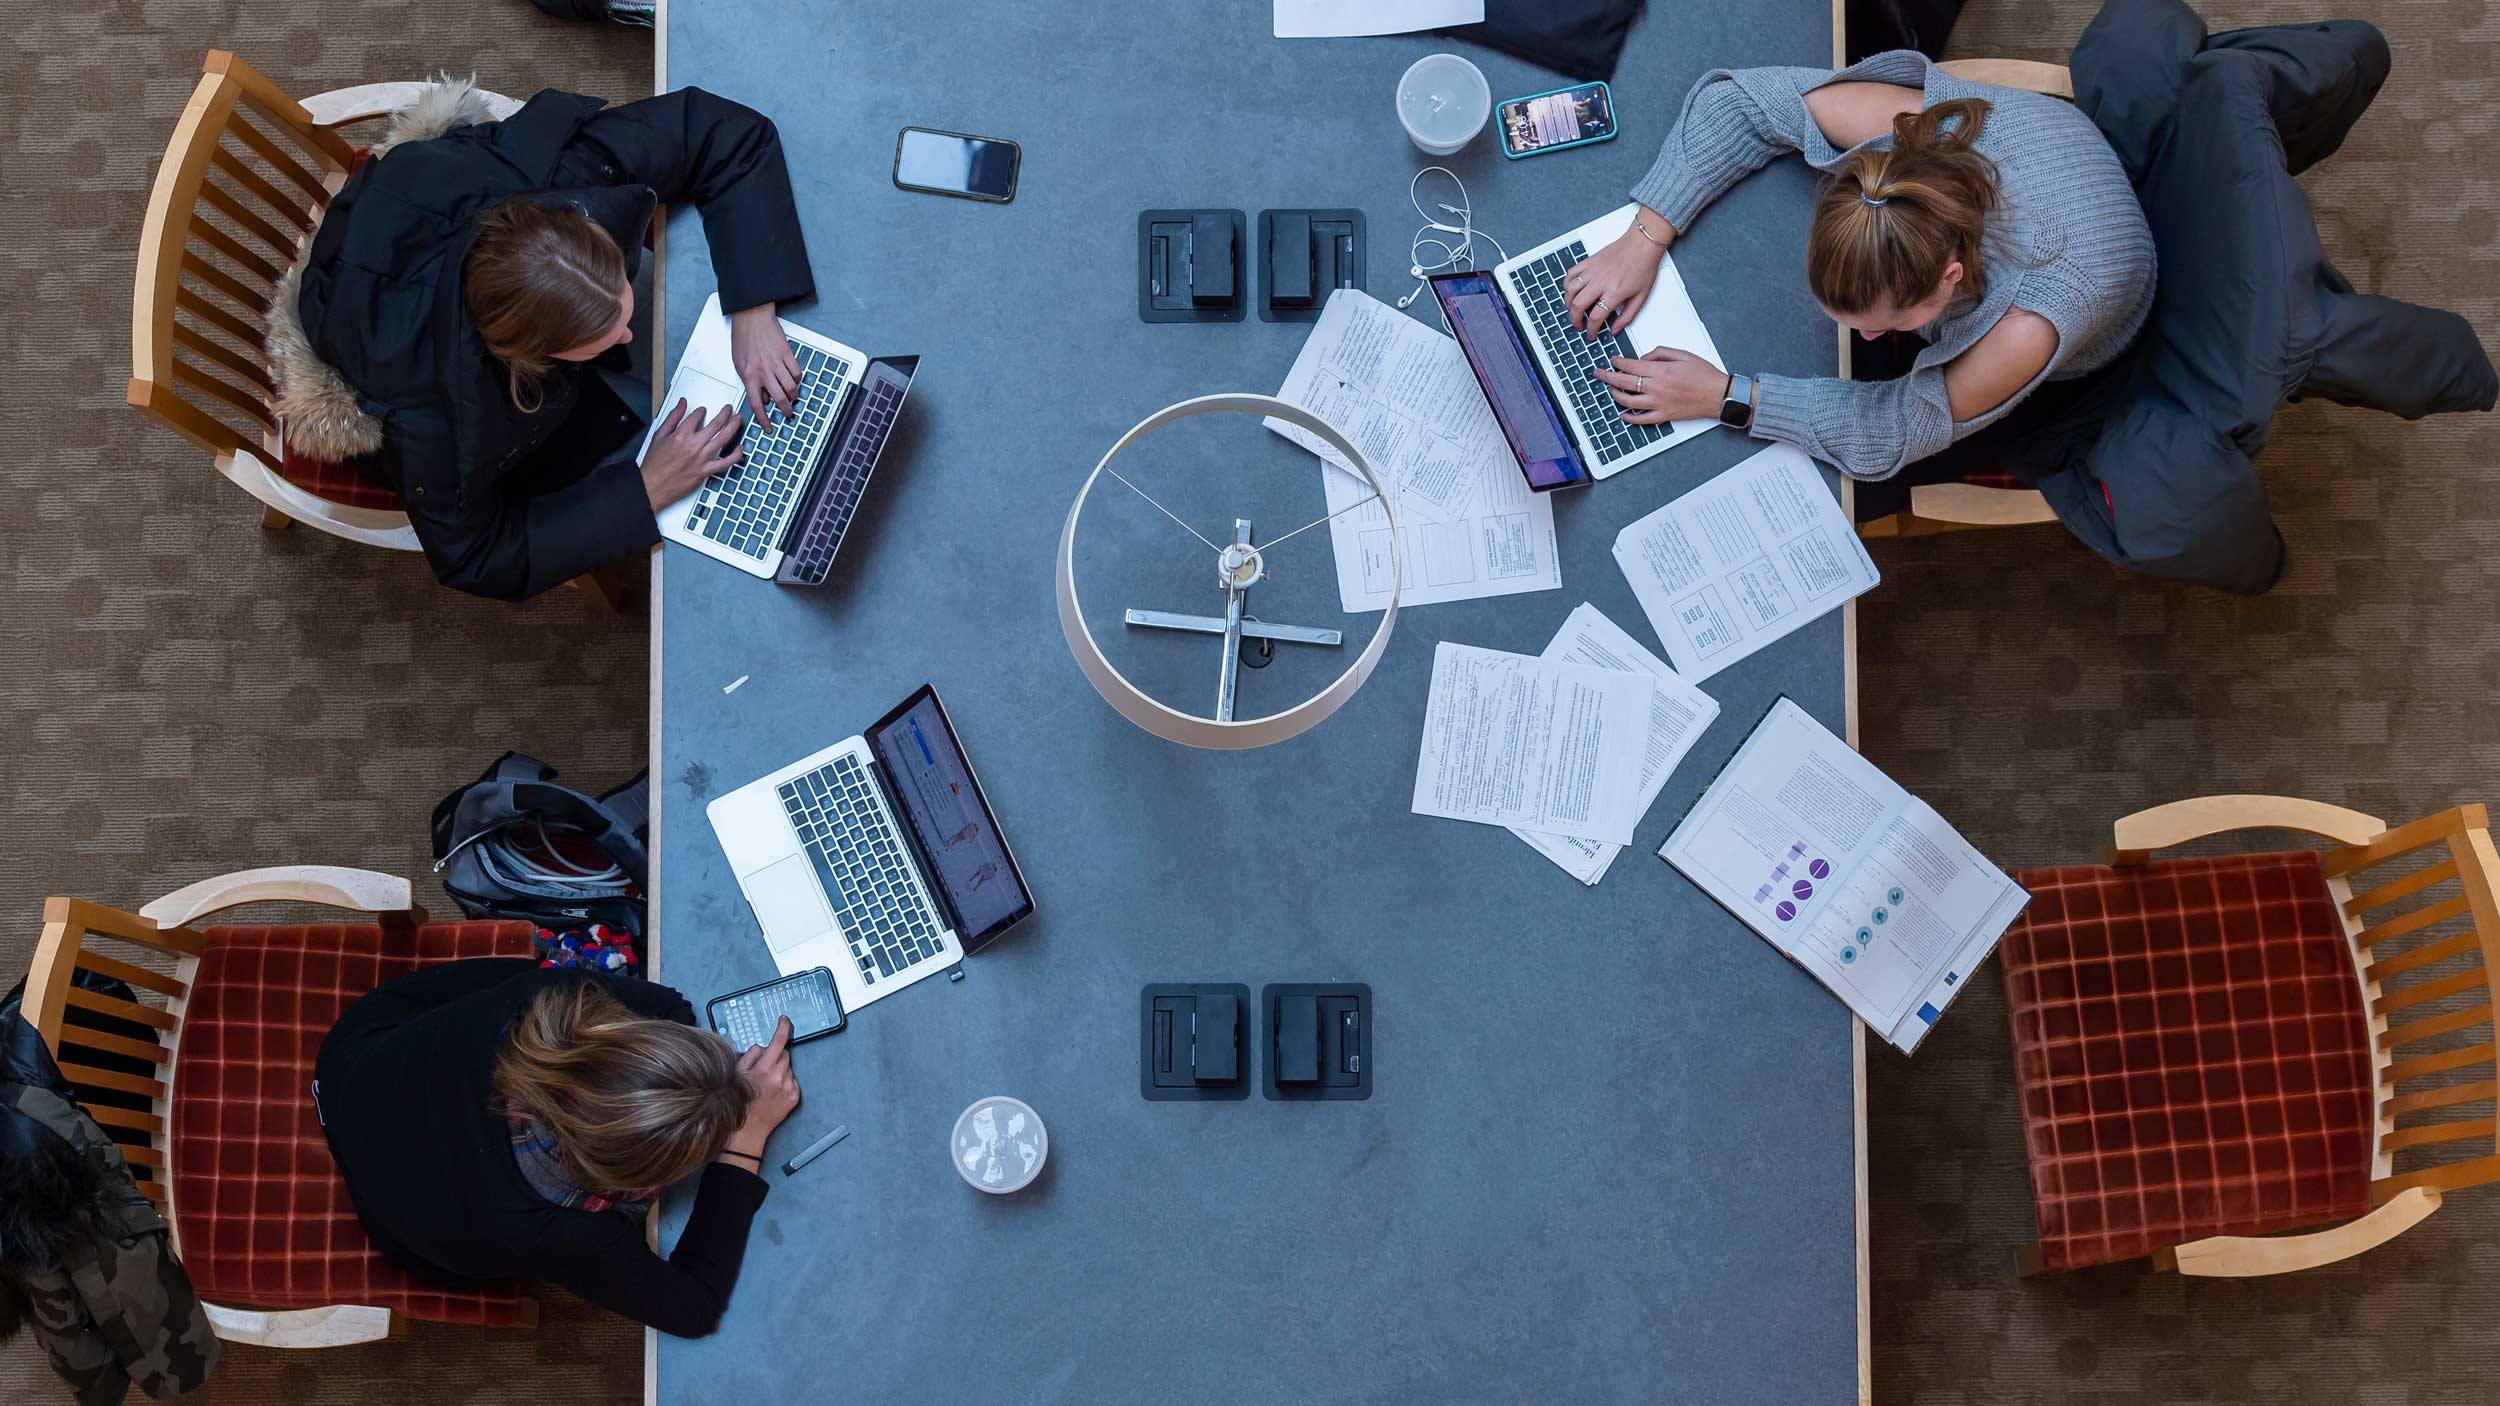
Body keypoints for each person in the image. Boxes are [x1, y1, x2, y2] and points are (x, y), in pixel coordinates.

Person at [295, 87, 816, 601]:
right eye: (604, 337)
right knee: (725, 504)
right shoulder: (430, 417)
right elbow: (475, 557)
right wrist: (646, 488)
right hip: (481, 405)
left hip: (439, 234)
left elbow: (718, 129)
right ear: (531, 356)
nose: (629, 336)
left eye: (622, 301)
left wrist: (753, 306)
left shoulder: (569, 178)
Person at [1563, 52, 2156, 497]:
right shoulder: (1919, 137)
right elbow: (1743, 101)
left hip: (2096, 341)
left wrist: (1728, 397)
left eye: (1877, 326)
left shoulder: (2028, 324)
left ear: (1950, 277)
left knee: (1863, 494)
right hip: (2057, 179)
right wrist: (1644, 237)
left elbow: (1896, 432)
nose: (1863, 338)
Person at [311, 960, 800, 1337]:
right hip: (391, 1212)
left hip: (359, 1058)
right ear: (626, 1182)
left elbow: (669, 1009)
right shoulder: (564, 1231)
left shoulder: (552, 1001)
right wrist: (744, 1143)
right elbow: (693, 1309)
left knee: (509, 974)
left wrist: (699, 1089)